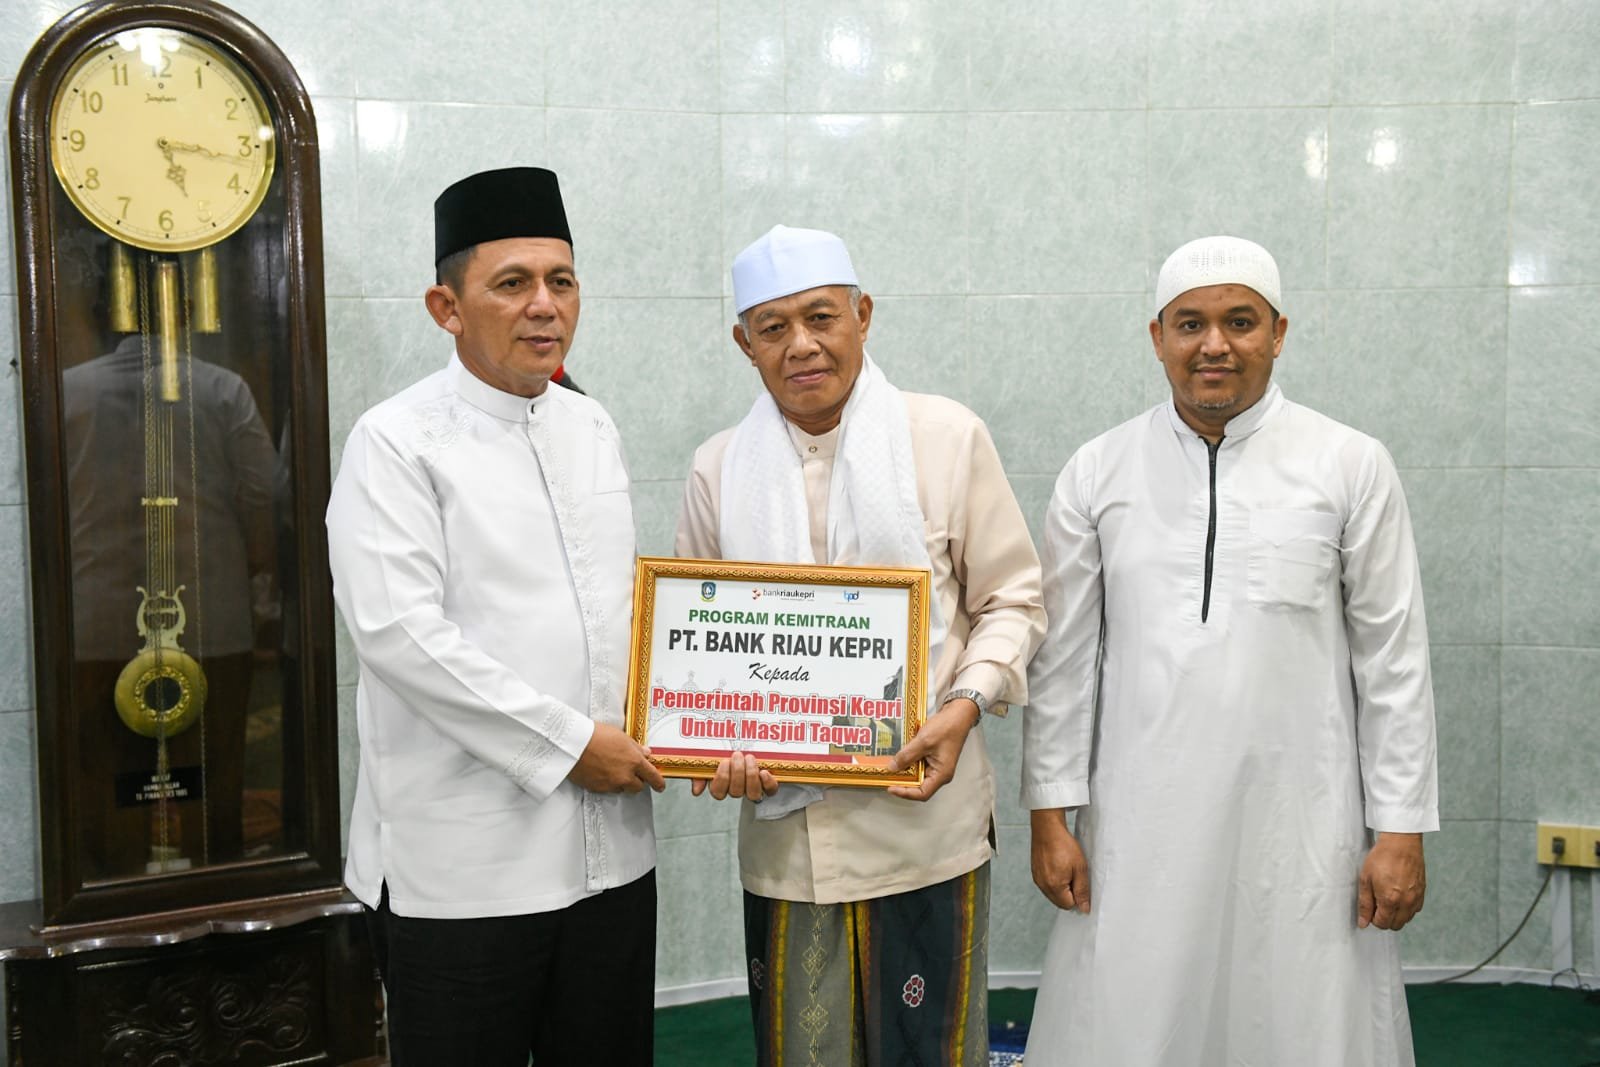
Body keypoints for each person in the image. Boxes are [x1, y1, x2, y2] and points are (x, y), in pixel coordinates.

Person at [1022, 235, 1438, 1066]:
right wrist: (1049, 812)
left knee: (1300, 1011)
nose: (1214, 344)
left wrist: (1400, 830)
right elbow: (1061, 663)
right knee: (1138, 1010)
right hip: (1142, 815)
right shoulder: (1097, 471)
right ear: (1157, 336)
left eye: (1239, 321)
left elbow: (1393, 658)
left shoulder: (1350, 463)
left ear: (1279, 332)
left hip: (1303, 816)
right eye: (1191, 324)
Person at [676, 224, 1046, 1065]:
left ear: (863, 315)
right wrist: (710, 746)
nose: (800, 345)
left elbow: (1013, 599)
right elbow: (697, 652)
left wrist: (966, 702)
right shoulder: (719, 468)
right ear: (745, 343)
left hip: (924, 820)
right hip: (785, 840)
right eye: (772, 327)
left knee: (930, 1045)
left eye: (820, 317)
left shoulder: (945, 437)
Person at [326, 166, 664, 1066]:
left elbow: (620, 610)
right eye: (511, 284)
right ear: (447, 305)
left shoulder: (591, 426)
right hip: (466, 874)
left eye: (560, 281)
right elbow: (401, 637)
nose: (543, 307)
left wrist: (690, 725)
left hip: (612, 863)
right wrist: (568, 745)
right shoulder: (394, 442)